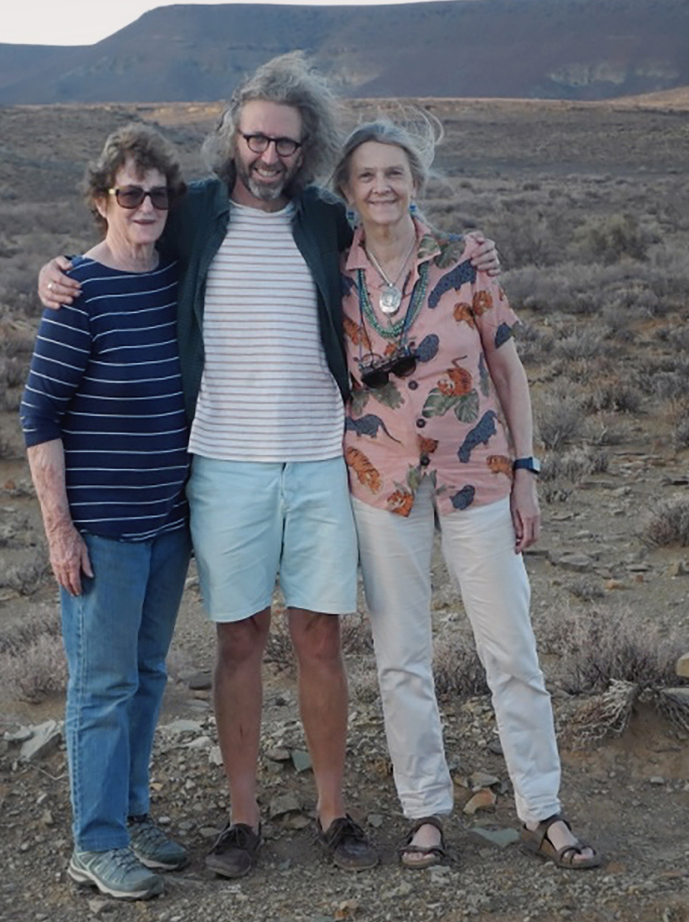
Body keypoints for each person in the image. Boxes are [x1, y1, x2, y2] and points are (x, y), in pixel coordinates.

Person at [40, 54, 497, 879]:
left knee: (320, 637)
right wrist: (58, 270)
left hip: (323, 459)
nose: (269, 154)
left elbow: (400, 230)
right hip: (223, 464)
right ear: (233, 136)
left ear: (306, 145)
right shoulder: (196, 212)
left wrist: (473, 250)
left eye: (285, 142)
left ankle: (333, 809)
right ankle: (242, 818)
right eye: (255, 137)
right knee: (240, 638)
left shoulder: (325, 218)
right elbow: (124, 234)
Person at [331, 119, 602, 871]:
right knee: (401, 656)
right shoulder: (332, 271)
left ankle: (542, 807)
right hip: (381, 484)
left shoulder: (464, 261)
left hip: (478, 473)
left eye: (395, 173)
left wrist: (527, 470)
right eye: (366, 176)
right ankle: (424, 812)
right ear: (347, 192)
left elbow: (509, 373)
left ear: (415, 181)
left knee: (510, 646)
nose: (382, 187)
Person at [19, 124, 194, 901]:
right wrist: (60, 530)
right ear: (102, 201)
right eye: (130, 192)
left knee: (148, 675)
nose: (146, 204)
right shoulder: (77, 292)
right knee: (100, 686)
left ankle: (132, 813)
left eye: (158, 192)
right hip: (103, 532)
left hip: (167, 521)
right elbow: (39, 417)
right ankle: (94, 842)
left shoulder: (177, 275)